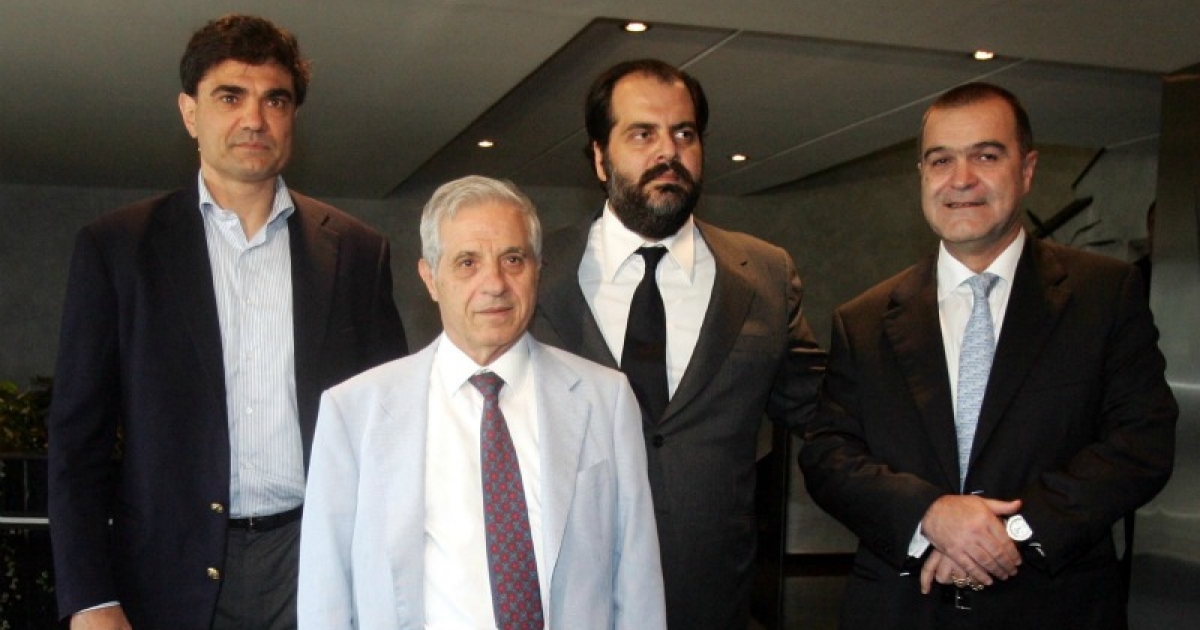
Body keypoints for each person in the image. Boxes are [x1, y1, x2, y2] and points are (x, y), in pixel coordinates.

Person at [47, 14, 407, 630]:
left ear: (293, 117)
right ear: (190, 113)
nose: (255, 119)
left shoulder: (357, 252)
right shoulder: (118, 249)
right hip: (166, 576)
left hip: (318, 563)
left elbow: (392, 429)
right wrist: (90, 599)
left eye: (276, 100)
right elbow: (77, 441)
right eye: (230, 97)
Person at [799, 82, 1177, 629]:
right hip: (901, 611)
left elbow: (1141, 443)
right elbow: (829, 455)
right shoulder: (863, 320)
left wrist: (1010, 533)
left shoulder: (1105, 296)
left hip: (1055, 610)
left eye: (986, 156)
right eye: (941, 160)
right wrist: (930, 516)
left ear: (1027, 170)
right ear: (922, 176)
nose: (961, 179)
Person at [531, 59, 826, 629]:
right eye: (642, 134)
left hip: (711, 598)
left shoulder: (764, 275)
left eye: (684, 134)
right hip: (568, 597)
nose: (669, 152)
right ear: (600, 157)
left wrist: (925, 503)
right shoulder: (537, 273)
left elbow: (827, 415)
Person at [297, 175, 665, 629]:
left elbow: (637, 582)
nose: (495, 283)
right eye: (467, 262)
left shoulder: (605, 399)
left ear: (538, 269)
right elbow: (326, 598)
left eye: (513, 259)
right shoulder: (354, 411)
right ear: (430, 278)